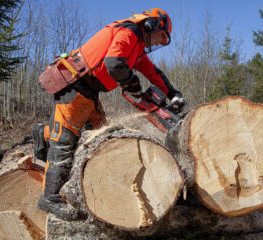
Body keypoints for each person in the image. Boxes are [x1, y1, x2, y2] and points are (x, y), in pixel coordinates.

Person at [32, 8, 185, 220]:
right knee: (64, 141)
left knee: (99, 133)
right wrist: (132, 84)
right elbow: (114, 63)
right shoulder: (129, 32)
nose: (156, 43)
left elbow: (153, 73)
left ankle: (43, 133)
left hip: (90, 91)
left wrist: (173, 93)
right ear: (152, 25)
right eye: (159, 37)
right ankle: (49, 198)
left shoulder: (137, 48)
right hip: (75, 85)